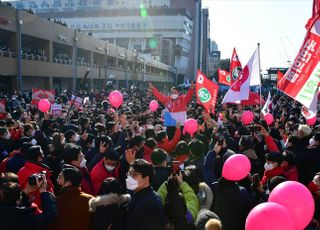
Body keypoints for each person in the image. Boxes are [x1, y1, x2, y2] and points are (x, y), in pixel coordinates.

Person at [48, 166, 93, 230]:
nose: (57, 180)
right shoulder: (90, 199)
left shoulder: (56, 201)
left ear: (68, 183)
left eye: (60, 178)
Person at [125, 159, 165, 230]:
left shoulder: (149, 204)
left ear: (146, 179)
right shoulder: (138, 193)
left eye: (134, 174)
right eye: (129, 174)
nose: (129, 178)